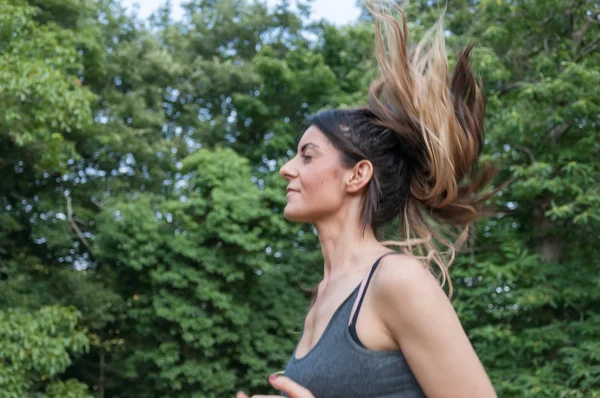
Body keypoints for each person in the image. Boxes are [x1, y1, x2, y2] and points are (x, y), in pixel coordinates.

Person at [237, 1, 502, 397]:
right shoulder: (326, 296)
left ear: (358, 175)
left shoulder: (396, 281)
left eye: (307, 156)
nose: (286, 169)